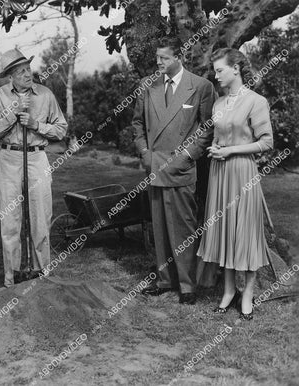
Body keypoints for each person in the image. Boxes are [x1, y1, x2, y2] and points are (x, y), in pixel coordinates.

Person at [133, 36, 216, 304]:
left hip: (181, 168)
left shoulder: (201, 86)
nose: (158, 62)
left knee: (183, 227)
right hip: (155, 165)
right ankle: (165, 280)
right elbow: (137, 124)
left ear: (179, 56)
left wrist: (189, 155)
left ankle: (187, 285)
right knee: (159, 227)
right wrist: (145, 154)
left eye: (164, 58)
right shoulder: (147, 86)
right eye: (157, 57)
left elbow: (207, 127)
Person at [197, 48, 273, 320]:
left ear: (236, 69)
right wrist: (217, 147)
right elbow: (219, 136)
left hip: (242, 172)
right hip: (220, 174)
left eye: (219, 70)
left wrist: (230, 151)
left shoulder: (256, 101)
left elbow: (266, 142)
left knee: (246, 233)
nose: (215, 76)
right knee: (225, 232)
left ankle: (248, 295)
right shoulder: (218, 104)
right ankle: (228, 291)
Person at [0, 49, 67, 287]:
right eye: (20, 71)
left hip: (37, 158)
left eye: (28, 69)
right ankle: (12, 279)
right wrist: (14, 112)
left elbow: (61, 129)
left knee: (41, 218)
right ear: (10, 75)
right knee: (11, 221)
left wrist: (36, 124)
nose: (26, 74)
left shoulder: (45, 94)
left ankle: (43, 274)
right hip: (9, 159)